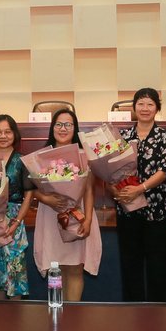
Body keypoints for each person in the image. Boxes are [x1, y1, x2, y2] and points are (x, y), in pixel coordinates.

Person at [114, 88, 166, 302]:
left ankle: (158, 311)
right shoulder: (122, 136)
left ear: (157, 108)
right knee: (129, 262)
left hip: (156, 208)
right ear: (134, 107)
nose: (145, 108)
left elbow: (164, 170)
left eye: (150, 104)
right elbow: (110, 170)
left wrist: (139, 189)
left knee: (157, 263)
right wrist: (116, 190)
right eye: (140, 103)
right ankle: (132, 310)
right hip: (127, 208)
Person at [31, 108, 100, 302]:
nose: (63, 128)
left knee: (75, 267)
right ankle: (57, 309)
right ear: (52, 128)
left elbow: (89, 190)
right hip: (50, 215)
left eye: (68, 125)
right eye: (59, 124)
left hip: (79, 214)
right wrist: (46, 199)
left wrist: (87, 220)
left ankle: (73, 314)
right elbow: (30, 190)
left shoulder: (84, 155)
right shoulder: (41, 156)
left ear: (75, 128)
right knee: (56, 267)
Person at [0, 114, 36, 299]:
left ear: (15, 134)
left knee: (14, 273)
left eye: (7, 132)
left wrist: (17, 222)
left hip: (13, 222)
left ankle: (15, 315)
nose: (3, 136)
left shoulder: (22, 160)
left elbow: (29, 196)